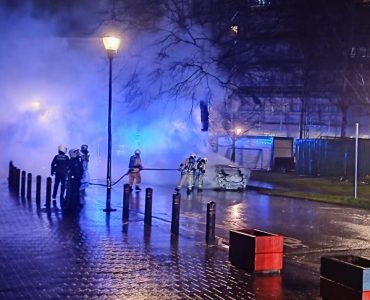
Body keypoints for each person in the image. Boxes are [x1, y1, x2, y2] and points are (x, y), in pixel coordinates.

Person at [63, 148, 83, 213]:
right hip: (74, 180)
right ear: (73, 153)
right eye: (76, 153)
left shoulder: (76, 161)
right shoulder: (73, 162)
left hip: (76, 179)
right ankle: (72, 207)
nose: (78, 154)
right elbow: (74, 171)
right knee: (73, 193)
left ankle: (70, 205)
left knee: (72, 192)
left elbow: (81, 170)